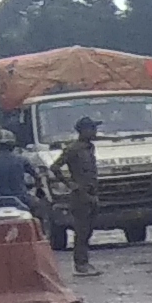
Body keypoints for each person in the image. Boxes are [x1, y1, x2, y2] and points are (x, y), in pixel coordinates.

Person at [56, 116, 102, 274]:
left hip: (92, 193)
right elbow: (55, 167)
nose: (95, 132)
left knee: (88, 230)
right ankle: (81, 263)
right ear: (83, 131)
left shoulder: (90, 147)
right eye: (92, 129)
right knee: (81, 230)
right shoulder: (73, 149)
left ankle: (85, 261)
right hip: (80, 195)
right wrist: (70, 184)